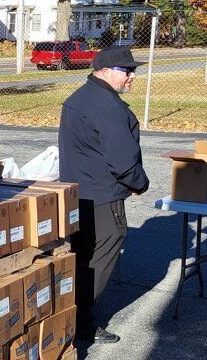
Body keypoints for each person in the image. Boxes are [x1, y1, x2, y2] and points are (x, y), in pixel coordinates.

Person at [59, 46, 150, 344]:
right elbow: (123, 158)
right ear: (105, 70)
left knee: (82, 256)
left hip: (78, 194)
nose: (132, 76)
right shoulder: (106, 106)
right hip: (102, 196)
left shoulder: (79, 98)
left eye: (133, 70)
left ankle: (67, 316)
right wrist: (139, 182)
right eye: (127, 71)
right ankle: (81, 323)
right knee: (98, 258)